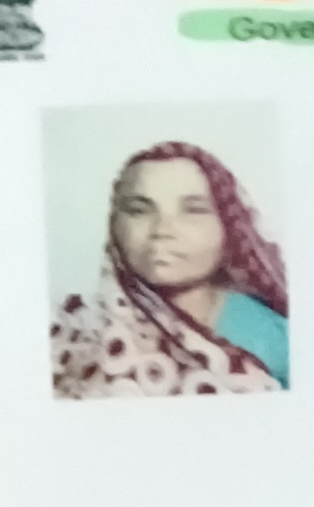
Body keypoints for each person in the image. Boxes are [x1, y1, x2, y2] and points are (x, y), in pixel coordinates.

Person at [52, 142, 288, 398]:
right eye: (139, 211)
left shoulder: (275, 337)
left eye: (193, 210)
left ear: (228, 227)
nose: (162, 230)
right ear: (115, 225)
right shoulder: (77, 333)